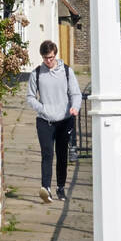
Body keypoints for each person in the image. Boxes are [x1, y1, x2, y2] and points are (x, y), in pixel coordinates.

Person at [27, 40, 82, 203]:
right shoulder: (36, 73)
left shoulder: (66, 71)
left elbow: (76, 93)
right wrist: (42, 108)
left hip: (64, 120)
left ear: (55, 54)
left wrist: (75, 107)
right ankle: (46, 189)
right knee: (47, 153)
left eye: (50, 58)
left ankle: (60, 188)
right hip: (44, 120)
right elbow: (30, 97)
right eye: (45, 58)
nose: (48, 61)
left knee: (62, 154)